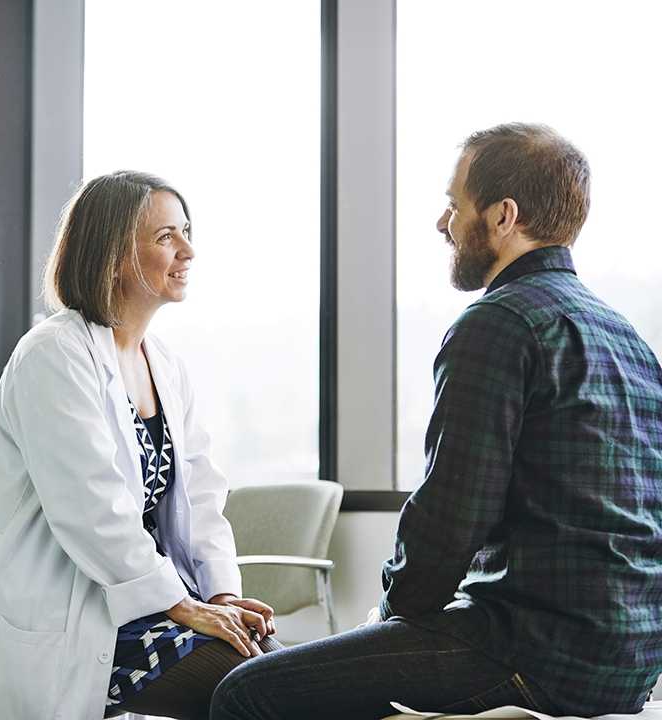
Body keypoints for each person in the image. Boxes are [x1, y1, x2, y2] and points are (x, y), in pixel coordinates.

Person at [211, 123, 662, 719]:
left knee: (246, 692)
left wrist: (391, 615)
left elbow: (452, 515)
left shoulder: (499, 323)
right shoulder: (625, 337)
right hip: (630, 660)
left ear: (503, 216)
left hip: (534, 652)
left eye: (454, 204)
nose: (443, 222)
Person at [0, 171, 281, 720]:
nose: (188, 250)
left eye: (185, 231)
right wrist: (181, 605)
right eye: (165, 237)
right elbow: (90, 508)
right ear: (112, 256)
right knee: (261, 692)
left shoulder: (166, 367)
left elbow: (202, 499)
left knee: (283, 669)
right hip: (41, 603)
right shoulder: (52, 355)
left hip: (132, 600)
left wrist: (221, 597)